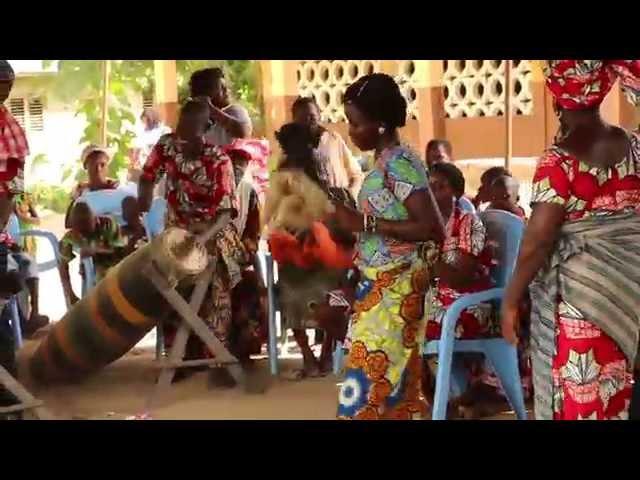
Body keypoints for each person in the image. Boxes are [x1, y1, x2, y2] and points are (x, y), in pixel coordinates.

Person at [502, 60, 640, 421]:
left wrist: (510, 299)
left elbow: (538, 241)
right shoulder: (635, 148)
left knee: (586, 397)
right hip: (631, 296)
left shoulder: (558, 161)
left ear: (556, 96)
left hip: (583, 306)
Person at [329, 73, 445, 420]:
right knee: (393, 389)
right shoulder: (383, 161)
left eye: (355, 123)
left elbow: (431, 228)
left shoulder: (398, 163)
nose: (350, 131)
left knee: (367, 386)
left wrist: (364, 223)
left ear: (380, 124)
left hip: (398, 287)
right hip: (384, 285)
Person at [139, 100, 262, 389]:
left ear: (205, 131)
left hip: (215, 232)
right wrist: (142, 203)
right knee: (166, 281)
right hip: (177, 229)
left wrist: (201, 241)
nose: (182, 140)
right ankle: (178, 357)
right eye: (180, 131)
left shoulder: (219, 161)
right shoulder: (166, 146)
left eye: (190, 134)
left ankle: (218, 358)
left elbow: (225, 213)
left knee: (216, 281)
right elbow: (147, 177)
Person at [265, 122, 355, 379]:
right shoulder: (330, 183)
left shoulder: (287, 180)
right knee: (330, 290)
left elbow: (273, 224)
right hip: (323, 267)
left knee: (293, 290)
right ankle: (325, 356)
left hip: (307, 267)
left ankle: (310, 359)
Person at [224, 139, 270, 364]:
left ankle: (244, 345)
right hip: (213, 257)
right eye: (234, 162)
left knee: (252, 285)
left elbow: (253, 232)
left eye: (243, 163)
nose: (238, 167)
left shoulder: (248, 191)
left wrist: (249, 244)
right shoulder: (217, 187)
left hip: (238, 256)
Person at [292, 96, 364, 199]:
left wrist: (349, 194)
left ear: (319, 115)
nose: (308, 122)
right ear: (295, 121)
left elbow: (356, 174)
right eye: (302, 119)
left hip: (342, 207)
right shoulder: (291, 150)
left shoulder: (334, 140)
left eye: (312, 117)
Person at [59, 202, 126, 305]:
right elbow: (62, 266)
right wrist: (71, 295)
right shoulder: (71, 236)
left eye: (87, 229)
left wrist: (95, 250)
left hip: (116, 267)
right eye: (79, 231)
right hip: (93, 273)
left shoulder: (108, 224)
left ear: (95, 220)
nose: (83, 235)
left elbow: (122, 252)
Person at [189, 67, 252, 146]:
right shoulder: (195, 117)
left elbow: (243, 132)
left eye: (225, 86)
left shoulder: (234, 111)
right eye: (221, 88)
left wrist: (212, 110)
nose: (227, 90)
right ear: (206, 94)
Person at [65, 144, 119, 227]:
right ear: (86, 166)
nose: (98, 169)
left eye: (102, 164)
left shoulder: (117, 189)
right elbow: (69, 224)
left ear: (107, 166)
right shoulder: (80, 193)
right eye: (94, 164)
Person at [128, 108, 171, 183]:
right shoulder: (143, 133)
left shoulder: (164, 130)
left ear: (151, 119)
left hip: (160, 165)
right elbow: (137, 148)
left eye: (146, 121)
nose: (145, 124)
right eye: (143, 122)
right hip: (146, 165)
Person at [14, 192, 40, 256]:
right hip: (20, 235)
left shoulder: (25, 196)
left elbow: (38, 221)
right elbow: (21, 217)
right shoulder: (14, 198)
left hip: (29, 235)